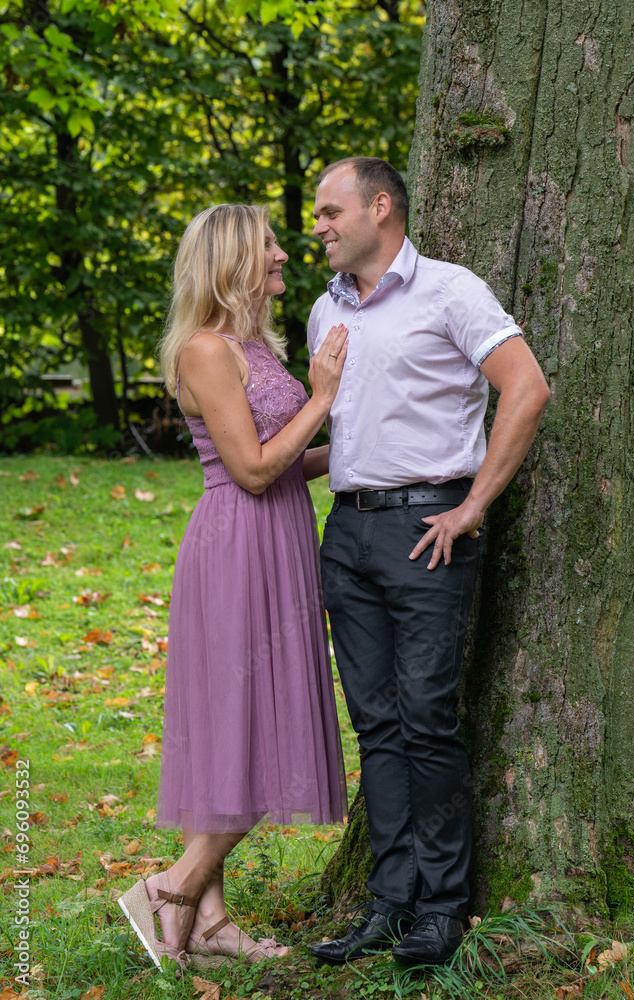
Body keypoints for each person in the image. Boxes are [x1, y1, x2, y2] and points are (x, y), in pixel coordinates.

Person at [306, 157, 550, 967]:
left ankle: (441, 910)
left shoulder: (449, 289)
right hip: (346, 533)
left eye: (331, 210)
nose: (319, 225)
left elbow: (525, 387)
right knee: (375, 726)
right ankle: (388, 902)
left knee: (425, 721)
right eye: (315, 214)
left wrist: (472, 505)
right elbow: (344, 428)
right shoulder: (323, 312)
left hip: (426, 529)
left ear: (381, 208)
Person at [118, 203, 348, 972]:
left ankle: (210, 922)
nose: (284, 254)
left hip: (279, 538)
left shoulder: (256, 346)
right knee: (247, 728)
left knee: (241, 725)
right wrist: (321, 399)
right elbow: (250, 470)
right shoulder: (207, 350)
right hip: (236, 545)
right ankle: (172, 888)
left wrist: (360, 456)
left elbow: (282, 457)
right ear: (231, 261)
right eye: (268, 246)